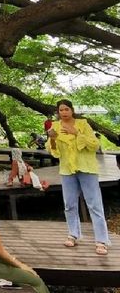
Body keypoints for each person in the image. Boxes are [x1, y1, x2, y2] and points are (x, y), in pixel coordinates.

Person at [47, 98, 110, 255]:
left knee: (94, 204)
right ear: (58, 112)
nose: (64, 113)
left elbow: (95, 145)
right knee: (69, 204)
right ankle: (73, 234)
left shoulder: (83, 124)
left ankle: (101, 240)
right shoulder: (55, 126)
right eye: (61, 110)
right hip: (67, 169)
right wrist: (53, 139)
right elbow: (54, 151)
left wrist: (77, 133)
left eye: (66, 109)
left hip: (86, 168)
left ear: (72, 110)